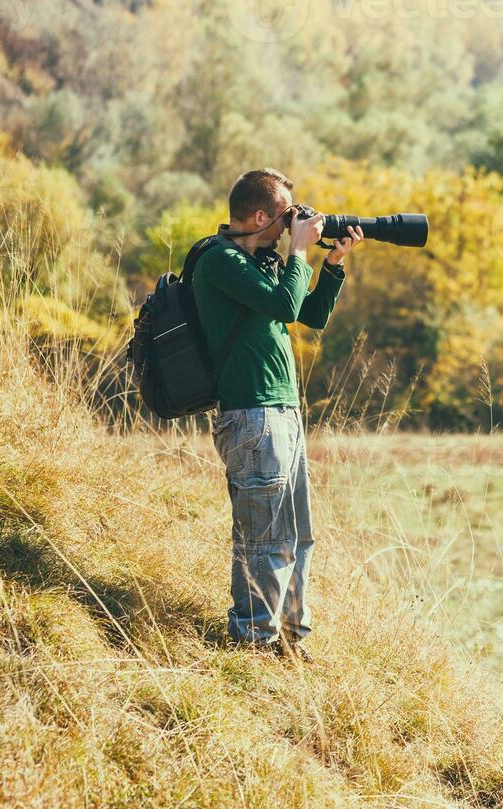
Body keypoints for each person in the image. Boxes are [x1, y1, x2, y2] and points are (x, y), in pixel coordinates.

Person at [194, 168, 362, 659]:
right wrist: (300, 251)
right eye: (287, 214)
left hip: (281, 411)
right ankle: (254, 641)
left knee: (297, 534)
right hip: (251, 413)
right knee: (265, 535)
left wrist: (331, 263)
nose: (294, 223)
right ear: (262, 215)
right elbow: (286, 306)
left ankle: (291, 637)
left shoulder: (261, 260)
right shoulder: (220, 259)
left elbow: (308, 314)